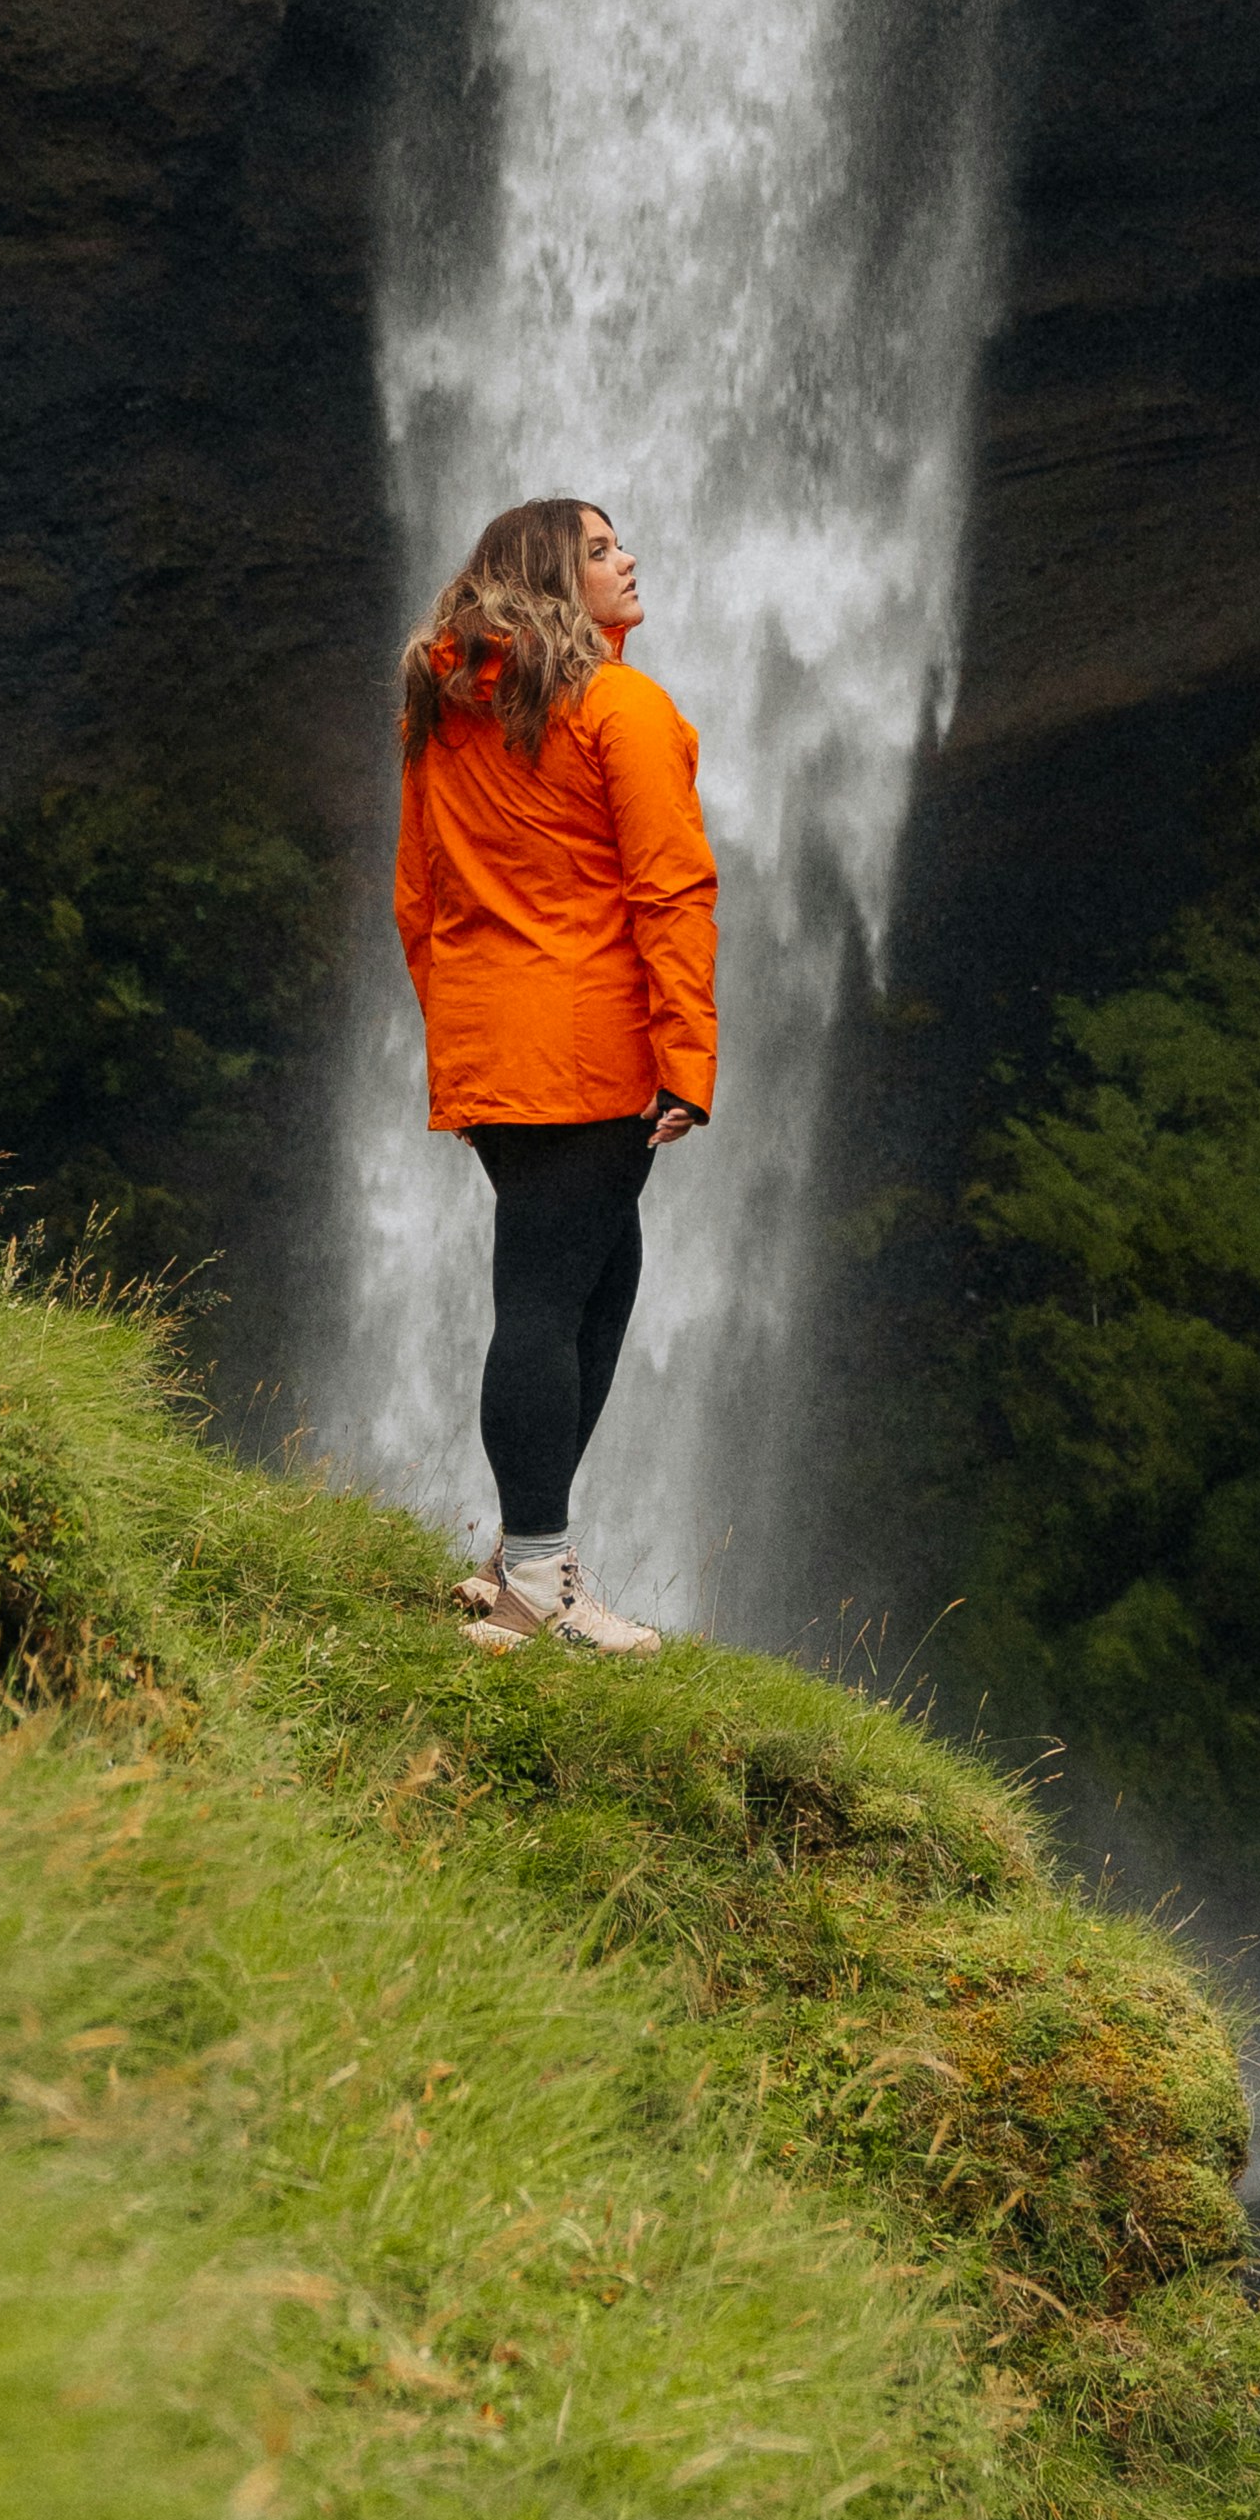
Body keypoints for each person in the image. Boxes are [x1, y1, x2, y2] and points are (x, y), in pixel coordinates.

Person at [391, 491, 716, 1654]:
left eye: (621, 539)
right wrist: (685, 1059)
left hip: (498, 1053)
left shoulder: (443, 711)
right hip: (585, 1054)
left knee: (596, 1281)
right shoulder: (618, 708)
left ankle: (523, 1555)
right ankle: (536, 1578)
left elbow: (415, 901)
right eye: (597, 548)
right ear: (546, 576)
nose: (627, 558)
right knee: (543, 1298)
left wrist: (464, 1040)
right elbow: (669, 891)